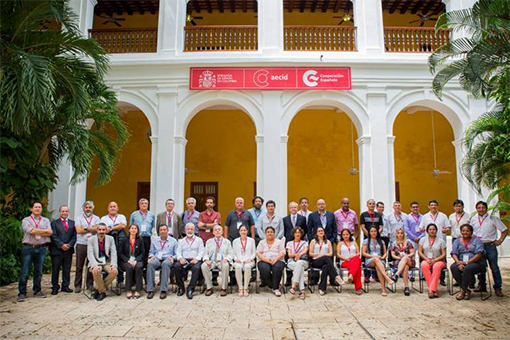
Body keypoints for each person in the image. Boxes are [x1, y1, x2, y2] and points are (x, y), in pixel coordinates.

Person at [18, 201, 53, 302]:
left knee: (38, 271)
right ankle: (22, 293)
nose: (38, 209)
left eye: (40, 207)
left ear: (42, 209)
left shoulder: (46, 220)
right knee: (25, 271)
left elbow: (50, 232)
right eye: (36, 207)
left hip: (41, 248)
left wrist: (36, 230)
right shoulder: (26, 220)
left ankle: (37, 290)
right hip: (28, 247)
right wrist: (43, 231)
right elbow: (30, 231)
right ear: (31, 209)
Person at [471, 201, 508, 297]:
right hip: (478, 246)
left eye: (483, 207)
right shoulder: (473, 219)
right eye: (479, 207)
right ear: (476, 209)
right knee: (480, 267)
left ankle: (497, 287)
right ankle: (482, 285)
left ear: (486, 208)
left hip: (490, 245)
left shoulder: (493, 219)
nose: (481, 209)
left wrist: (500, 241)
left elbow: (504, 230)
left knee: (494, 267)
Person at [450, 224, 486, 300]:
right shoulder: (457, 241)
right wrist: (458, 262)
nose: (465, 232)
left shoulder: (477, 241)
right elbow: (453, 253)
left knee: (467, 268)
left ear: (471, 232)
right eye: (463, 231)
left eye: (467, 231)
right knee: (453, 267)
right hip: (461, 261)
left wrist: (467, 263)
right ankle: (467, 290)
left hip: (476, 263)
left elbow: (479, 254)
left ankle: (462, 291)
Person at [309, 226, 344, 295]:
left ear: (324, 232)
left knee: (325, 267)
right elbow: (310, 253)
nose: (321, 232)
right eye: (319, 231)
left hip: (325, 261)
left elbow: (331, 253)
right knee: (326, 258)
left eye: (322, 230)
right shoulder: (313, 241)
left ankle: (322, 288)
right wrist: (319, 254)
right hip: (315, 261)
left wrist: (323, 255)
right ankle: (336, 276)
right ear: (316, 233)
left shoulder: (328, 242)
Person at [74, 200, 100, 293]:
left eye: (90, 207)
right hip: (81, 244)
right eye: (86, 207)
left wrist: (85, 228)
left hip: (93, 245)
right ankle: (77, 285)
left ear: (93, 208)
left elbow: (97, 229)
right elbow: (78, 230)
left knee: (91, 265)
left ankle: (89, 284)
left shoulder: (97, 218)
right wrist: (91, 229)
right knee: (79, 265)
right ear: (84, 208)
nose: (88, 209)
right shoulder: (79, 218)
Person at [50, 205, 76, 295]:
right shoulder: (54, 223)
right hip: (57, 250)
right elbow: (53, 235)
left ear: (68, 212)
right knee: (55, 269)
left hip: (68, 250)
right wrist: (61, 245)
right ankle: (55, 287)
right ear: (60, 212)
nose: (64, 213)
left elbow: (74, 236)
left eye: (66, 211)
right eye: (63, 211)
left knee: (67, 269)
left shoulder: (73, 223)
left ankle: (65, 286)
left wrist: (69, 245)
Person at [87, 223, 118, 301]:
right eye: (100, 229)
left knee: (114, 272)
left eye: (103, 229)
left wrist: (114, 265)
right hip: (95, 262)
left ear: (106, 230)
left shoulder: (110, 239)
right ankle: (102, 292)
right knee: (96, 270)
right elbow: (90, 254)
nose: (101, 231)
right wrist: (94, 265)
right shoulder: (91, 239)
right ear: (97, 230)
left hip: (106, 262)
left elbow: (114, 253)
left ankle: (99, 290)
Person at [146, 224, 178, 299]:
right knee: (150, 264)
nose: (163, 231)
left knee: (165, 264)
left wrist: (173, 257)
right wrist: (151, 256)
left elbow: (177, 254)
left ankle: (163, 290)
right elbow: (151, 252)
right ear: (159, 231)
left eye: (164, 230)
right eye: (161, 230)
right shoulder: (155, 240)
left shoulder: (173, 241)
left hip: (168, 259)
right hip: (157, 259)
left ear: (168, 231)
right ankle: (150, 289)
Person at [361, 226, 394, 296]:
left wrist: (383, 257)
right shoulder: (366, 241)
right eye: (371, 231)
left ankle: (383, 290)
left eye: (375, 231)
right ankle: (387, 278)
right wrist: (374, 256)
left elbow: (385, 253)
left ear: (377, 232)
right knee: (376, 260)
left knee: (378, 266)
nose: (373, 233)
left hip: (380, 260)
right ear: (369, 232)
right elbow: (363, 253)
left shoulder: (381, 241)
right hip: (370, 260)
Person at [175, 223, 205, 299]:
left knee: (196, 268)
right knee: (176, 266)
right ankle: (181, 287)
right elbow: (178, 252)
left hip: (195, 259)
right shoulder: (181, 241)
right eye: (188, 229)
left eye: (191, 229)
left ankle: (190, 289)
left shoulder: (199, 240)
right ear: (185, 230)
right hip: (184, 259)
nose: (190, 231)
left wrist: (197, 259)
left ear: (194, 230)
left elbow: (201, 251)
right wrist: (180, 258)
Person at [202, 225, 234, 296]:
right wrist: (206, 259)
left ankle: (224, 288)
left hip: (222, 261)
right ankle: (209, 288)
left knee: (225, 265)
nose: (217, 231)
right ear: (213, 232)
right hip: (212, 261)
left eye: (219, 229)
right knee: (204, 266)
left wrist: (226, 259)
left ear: (222, 232)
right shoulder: (209, 241)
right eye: (215, 230)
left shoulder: (227, 242)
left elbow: (231, 254)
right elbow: (205, 253)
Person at [101, 202, 127, 285]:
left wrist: (111, 228)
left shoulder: (121, 216)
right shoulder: (103, 218)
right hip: (107, 242)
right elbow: (103, 228)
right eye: (111, 207)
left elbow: (122, 226)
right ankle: (105, 282)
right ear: (108, 208)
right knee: (107, 260)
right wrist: (116, 227)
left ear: (117, 208)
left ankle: (120, 281)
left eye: (114, 206)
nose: (112, 208)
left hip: (120, 242)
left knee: (119, 260)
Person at [418, 223, 447, 298]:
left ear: (436, 231)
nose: (432, 231)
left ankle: (431, 290)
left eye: (433, 229)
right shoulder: (422, 240)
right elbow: (420, 252)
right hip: (426, 259)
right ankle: (434, 289)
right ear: (427, 231)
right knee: (423, 265)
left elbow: (444, 254)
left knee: (436, 267)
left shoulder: (441, 241)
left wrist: (435, 260)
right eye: (430, 229)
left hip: (438, 260)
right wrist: (426, 259)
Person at [129, 198, 156, 277]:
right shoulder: (134, 214)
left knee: (146, 256)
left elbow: (153, 226)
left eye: (146, 203)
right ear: (139, 205)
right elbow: (131, 226)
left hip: (147, 238)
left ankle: (146, 276)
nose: (144, 205)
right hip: (137, 237)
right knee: (136, 256)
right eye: (142, 203)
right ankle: (134, 277)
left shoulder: (151, 215)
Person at [256, 227, 286, 296]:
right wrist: (266, 260)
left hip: (277, 259)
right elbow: (258, 253)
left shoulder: (279, 242)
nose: (270, 233)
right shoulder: (261, 242)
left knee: (277, 267)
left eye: (271, 232)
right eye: (268, 232)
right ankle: (272, 285)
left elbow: (282, 252)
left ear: (274, 233)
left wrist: (275, 259)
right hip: (264, 260)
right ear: (265, 233)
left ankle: (276, 288)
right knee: (264, 268)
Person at [119, 224, 145, 299]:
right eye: (132, 228)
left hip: (137, 260)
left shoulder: (140, 240)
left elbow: (142, 252)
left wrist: (136, 260)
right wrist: (128, 260)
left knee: (139, 266)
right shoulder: (124, 240)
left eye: (135, 228)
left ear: (137, 231)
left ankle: (138, 290)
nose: (133, 230)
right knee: (129, 268)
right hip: (125, 260)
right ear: (129, 230)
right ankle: (128, 290)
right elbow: (120, 253)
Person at [389, 228, 416, 296]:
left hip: (409, 260)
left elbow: (412, 253)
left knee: (406, 258)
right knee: (405, 267)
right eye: (398, 233)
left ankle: (396, 274)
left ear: (403, 234)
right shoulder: (393, 244)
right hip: (398, 261)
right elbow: (393, 255)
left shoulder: (408, 242)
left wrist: (406, 256)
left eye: (401, 233)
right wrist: (400, 258)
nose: (400, 234)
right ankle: (406, 287)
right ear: (396, 234)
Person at [336, 228, 362, 295]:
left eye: (347, 234)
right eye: (344, 235)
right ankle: (358, 287)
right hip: (345, 261)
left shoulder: (354, 242)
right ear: (341, 236)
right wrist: (345, 258)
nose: (345, 236)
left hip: (354, 259)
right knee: (357, 267)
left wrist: (352, 257)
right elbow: (338, 254)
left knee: (356, 258)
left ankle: (351, 275)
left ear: (350, 235)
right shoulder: (340, 243)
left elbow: (358, 253)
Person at [232, 225, 256, 297]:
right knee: (238, 267)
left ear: (247, 231)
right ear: (239, 232)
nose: (243, 232)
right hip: (238, 260)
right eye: (241, 230)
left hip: (249, 260)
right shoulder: (235, 241)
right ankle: (240, 288)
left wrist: (250, 259)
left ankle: (245, 288)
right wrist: (236, 259)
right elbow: (233, 252)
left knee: (247, 267)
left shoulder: (251, 240)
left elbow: (254, 252)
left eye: (244, 230)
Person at [286, 227, 309, 300]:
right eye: (296, 232)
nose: (297, 234)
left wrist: (298, 254)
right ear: (293, 234)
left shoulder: (305, 243)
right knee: (300, 268)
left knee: (299, 263)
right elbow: (289, 254)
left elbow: (305, 251)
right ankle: (302, 291)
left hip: (303, 261)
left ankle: (294, 285)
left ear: (301, 234)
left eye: (299, 232)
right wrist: (297, 255)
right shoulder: (289, 243)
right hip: (292, 262)